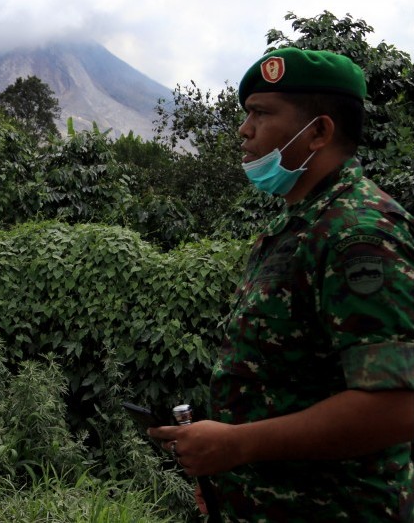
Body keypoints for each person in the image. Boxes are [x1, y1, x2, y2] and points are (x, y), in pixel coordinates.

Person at [149, 48, 414, 521]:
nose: (243, 130)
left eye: (261, 114)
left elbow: (396, 406)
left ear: (318, 132)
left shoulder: (359, 233)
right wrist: (228, 475)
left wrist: (238, 445)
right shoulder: (298, 225)